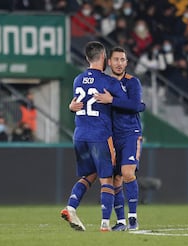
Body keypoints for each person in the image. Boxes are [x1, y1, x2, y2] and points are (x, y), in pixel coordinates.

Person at [61, 41, 144, 232]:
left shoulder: (77, 79)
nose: (118, 63)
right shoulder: (109, 82)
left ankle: (71, 207)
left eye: (122, 59)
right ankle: (107, 224)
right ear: (106, 59)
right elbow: (135, 104)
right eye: (115, 59)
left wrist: (71, 107)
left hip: (82, 134)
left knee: (91, 175)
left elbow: (135, 104)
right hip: (102, 136)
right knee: (107, 179)